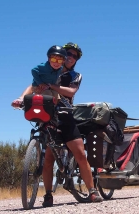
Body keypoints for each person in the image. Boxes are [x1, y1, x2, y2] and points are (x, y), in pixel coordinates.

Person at [11, 42, 103, 206]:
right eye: (68, 53)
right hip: (47, 113)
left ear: (76, 60)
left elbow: (71, 92)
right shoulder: (49, 70)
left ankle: (92, 191)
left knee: (80, 154)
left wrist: (51, 86)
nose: (70, 57)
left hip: (65, 114)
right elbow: (32, 86)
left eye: (74, 56)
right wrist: (20, 98)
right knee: (48, 159)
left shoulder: (74, 75)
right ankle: (48, 195)